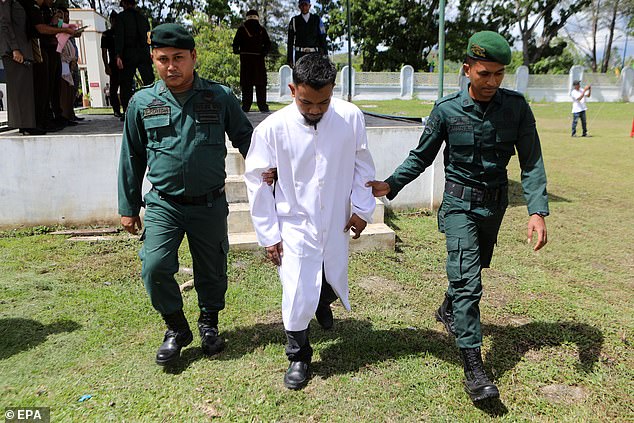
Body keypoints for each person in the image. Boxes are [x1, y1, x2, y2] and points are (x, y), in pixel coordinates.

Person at [366, 31, 549, 402]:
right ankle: (475, 368)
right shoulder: (447, 110)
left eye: (499, 75)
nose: (492, 82)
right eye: (485, 74)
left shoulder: (516, 108)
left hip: (493, 206)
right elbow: (421, 156)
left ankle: (448, 307)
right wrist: (391, 184)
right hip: (458, 206)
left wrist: (537, 211)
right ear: (467, 69)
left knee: (474, 267)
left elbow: (531, 162)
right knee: (469, 283)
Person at [118, 23, 253, 366]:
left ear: (193, 57)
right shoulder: (142, 102)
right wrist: (128, 206)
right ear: (153, 59)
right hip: (164, 203)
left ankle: (209, 324)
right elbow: (132, 156)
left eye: (178, 58)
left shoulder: (219, 96)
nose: (171, 66)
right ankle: (176, 328)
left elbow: (247, 139)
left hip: (209, 202)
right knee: (155, 266)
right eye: (163, 59)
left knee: (212, 269)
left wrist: (270, 181)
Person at [244, 54, 376, 390]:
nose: (315, 110)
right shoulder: (272, 129)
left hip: (335, 217)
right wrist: (268, 234)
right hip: (294, 221)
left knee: (333, 276)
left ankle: (323, 301)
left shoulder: (350, 117)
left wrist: (362, 209)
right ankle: (298, 355)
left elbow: (362, 165)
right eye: (306, 102)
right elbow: (258, 181)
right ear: (292, 89)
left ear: (334, 91)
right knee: (297, 289)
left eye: (323, 102)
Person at [1, 0, 43, 134]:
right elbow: (5, 23)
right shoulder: (7, 1)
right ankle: (24, 125)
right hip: (14, 51)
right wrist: (15, 49)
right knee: (19, 89)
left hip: (23, 48)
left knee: (25, 89)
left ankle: (27, 124)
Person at [115, 0, 154, 116]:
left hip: (128, 53)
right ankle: (152, 106)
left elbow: (119, 37)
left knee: (126, 84)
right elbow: (149, 37)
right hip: (143, 52)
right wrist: (149, 50)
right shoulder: (143, 18)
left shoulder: (121, 17)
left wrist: (118, 55)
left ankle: (127, 111)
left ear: (125, 4)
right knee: (149, 82)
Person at [232, 9, 271, 113]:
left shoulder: (242, 29)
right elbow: (268, 44)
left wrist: (238, 51)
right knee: (260, 84)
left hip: (246, 61)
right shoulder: (261, 29)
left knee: (246, 84)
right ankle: (262, 106)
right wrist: (263, 52)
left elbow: (235, 45)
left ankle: (246, 106)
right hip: (259, 61)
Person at [286, 0, 327, 67]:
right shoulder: (294, 20)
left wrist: (325, 56)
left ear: (309, 6)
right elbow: (290, 41)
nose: (304, 7)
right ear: (299, 7)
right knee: (299, 76)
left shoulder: (317, 19)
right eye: (302, 5)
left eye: (306, 5)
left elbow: (322, 38)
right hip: (299, 56)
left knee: (314, 77)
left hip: (314, 56)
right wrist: (290, 58)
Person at [101, 11, 121, 117]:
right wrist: (106, 66)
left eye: (116, 20)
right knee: (113, 89)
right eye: (112, 20)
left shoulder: (122, 33)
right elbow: (104, 51)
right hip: (113, 64)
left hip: (124, 63)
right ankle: (116, 110)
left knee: (126, 87)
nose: (114, 22)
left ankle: (127, 108)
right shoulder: (106, 34)